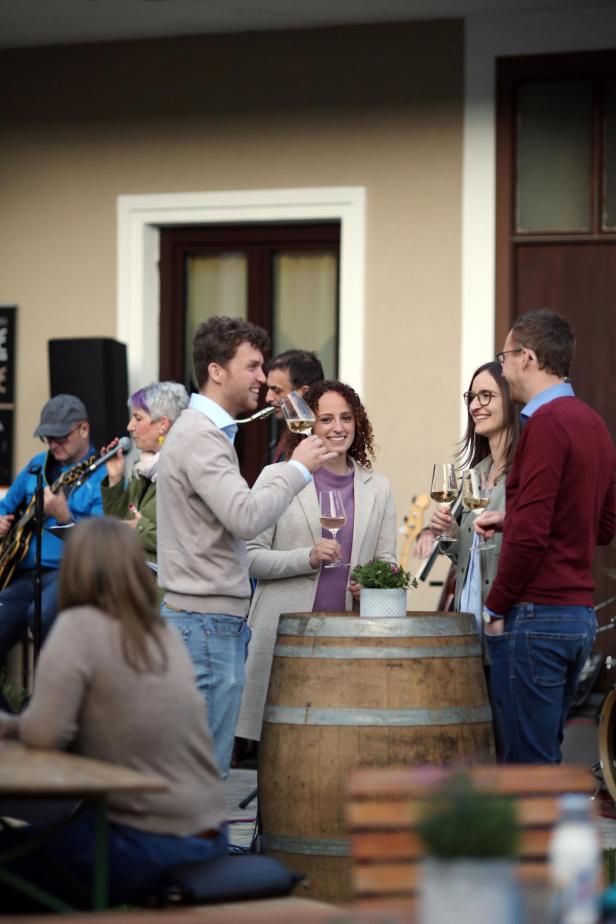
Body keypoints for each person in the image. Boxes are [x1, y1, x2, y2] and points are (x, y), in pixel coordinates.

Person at [0, 518, 227, 911]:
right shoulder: (160, 632)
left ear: (75, 568)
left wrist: (11, 727)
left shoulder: (79, 626)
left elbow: (43, 735)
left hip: (146, 841)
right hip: (209, 834)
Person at [156, 316, 337, 777]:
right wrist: (299, 468)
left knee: (198, 769)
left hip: (205, 621)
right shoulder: (202, 436)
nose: (262, 378)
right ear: (216, 371)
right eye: (252, 366)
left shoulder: (204, 432)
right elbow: (246, 517)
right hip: (205, 623)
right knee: (204, 772)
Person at [477, 308, 616, 764]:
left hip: (537, 616)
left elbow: (533, 536)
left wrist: (495, 607)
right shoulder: (593, 424)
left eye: (505, 357)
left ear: (528, 357)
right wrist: (513, 518)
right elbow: (601, 526)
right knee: (543, 761)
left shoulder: (545, 424)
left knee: (527, 769)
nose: (503, 369)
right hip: (577, 618)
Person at [236, 379, 397, 743]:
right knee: (281, 747)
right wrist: (306, 558)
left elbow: (387, 564)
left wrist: (373, 586)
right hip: (284, 636)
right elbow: (247, 557)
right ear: (309, 425)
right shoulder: (277, 477)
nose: (338, 428)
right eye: (326, 419)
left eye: (346, 418)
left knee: (338, 745)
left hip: (348, 640)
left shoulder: (379, 488)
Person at [0, 394, 104, 659]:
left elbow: (100, 543)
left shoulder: (103, 475)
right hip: (23, 570)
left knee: (43, 614)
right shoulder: (39, 464)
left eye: (61, 437)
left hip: (69, 573)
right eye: (48, 438)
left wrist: (64, 515)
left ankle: (53, 682)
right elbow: (6, 505)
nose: (53, 445)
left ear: (84, 429)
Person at [429, 361, 520, 633]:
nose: (474, 406)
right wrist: (452, 534)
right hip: (471, 624)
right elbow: (472, 561)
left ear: (511, 400)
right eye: (472, 397)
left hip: (506, 623)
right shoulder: (475, 475)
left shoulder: (525, 473)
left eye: (486, 396)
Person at [101, 381, 188, 565]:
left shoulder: (183, 470)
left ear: (162, 424)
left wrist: (139, 528)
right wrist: (115, 479)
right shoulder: (142, 468)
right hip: (133, 574)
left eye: (138, 418)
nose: (129, 426)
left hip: (165, 580)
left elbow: (186, 542)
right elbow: (121, 524)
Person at [265, 349, 324, 462]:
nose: (268, 398)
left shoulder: (325, 437)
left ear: (304, 392)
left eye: (277, 391)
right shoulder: (286, 435)